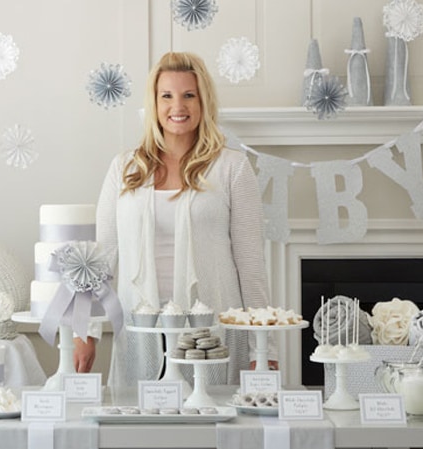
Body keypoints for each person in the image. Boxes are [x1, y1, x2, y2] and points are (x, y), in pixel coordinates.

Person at [74, 51, 277, 385]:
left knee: (211, 421)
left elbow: (251, 265)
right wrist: (86, 331)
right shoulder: (124, 169)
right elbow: (102, 260)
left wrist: (265, 351)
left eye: (188, 95)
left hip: (211, 332)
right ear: (154, 103)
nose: (177, 107)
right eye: (166, 96)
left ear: (203, 101)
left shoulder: (232, 168)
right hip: (141, 329)